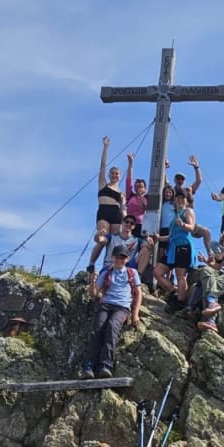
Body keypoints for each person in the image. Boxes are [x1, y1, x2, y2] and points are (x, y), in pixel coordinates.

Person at [82, 245, 142, 379]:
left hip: (122, 307)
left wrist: (135, 314)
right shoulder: (106, 272)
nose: (119, 260)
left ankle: (105, 365)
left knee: (112, 327)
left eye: (122, 257)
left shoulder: (132, 273)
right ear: (112, 257)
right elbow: (93, 294)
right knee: (97, 330)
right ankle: (89, 366)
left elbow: (138, 294)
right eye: (117, 257)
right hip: (105, 305)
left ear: (126, 259)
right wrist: (92, 281)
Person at [89, 137, 126, 271]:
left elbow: (123, 209)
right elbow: (102, 166)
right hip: (104, 212)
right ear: (110, 175)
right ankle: (92, 263)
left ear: (120, 176)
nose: (114, 175)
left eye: (117, 174)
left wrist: (124, 221)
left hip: (116, 215)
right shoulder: (103, 184)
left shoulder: (121, 192)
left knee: (114, 242)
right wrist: (105, 148)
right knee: (102, 239)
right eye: (113, 173)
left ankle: (111, 266)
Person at [154, 190, 197, 304]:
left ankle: (180, 301)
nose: (180, 200)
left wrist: (183, 224)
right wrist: (159, 238)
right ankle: (174, 292)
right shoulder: (175, 216)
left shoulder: (188, 211)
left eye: (182, 198)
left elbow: (192, 228)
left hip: (184, 246)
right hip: (172, 248)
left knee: (180, 275)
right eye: (178, 197)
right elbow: (171, 236)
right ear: (174, 200)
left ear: (186, 200)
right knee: (157, 271)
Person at [124, 152, 148, 236]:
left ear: (145, 189)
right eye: (137, 187)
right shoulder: (130, 196)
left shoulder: (147, 198)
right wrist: (130, 164)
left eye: (141, 186)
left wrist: (141, 196)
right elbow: (128, 181)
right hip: (129, 224)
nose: (139, 188)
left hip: (142, 225)